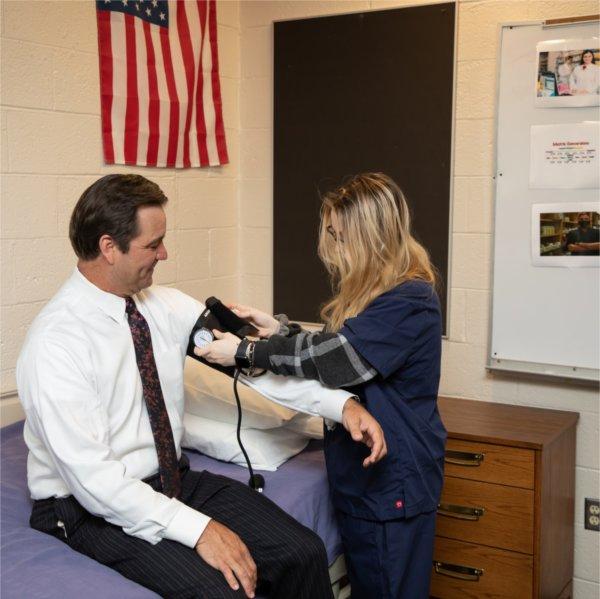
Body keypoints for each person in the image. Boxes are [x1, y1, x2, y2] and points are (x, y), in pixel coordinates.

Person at [16, 174, 387, 599]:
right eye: (153, 245)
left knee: (302, 552)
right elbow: (94, 480)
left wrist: (340, 407)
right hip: (85, 505)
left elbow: (251, 366)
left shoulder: (166, 307)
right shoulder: (55, 344)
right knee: (219, 590)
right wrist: (200, 529)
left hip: (168, 479)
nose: (165, 253)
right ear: (108, 247)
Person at [197, 173, 447, 599]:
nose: (332, 245)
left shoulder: (409, 300)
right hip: (363, 482)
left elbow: (339, 360)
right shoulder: (377, 293)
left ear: (371, 238)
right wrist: (279, 329)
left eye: (339, 235)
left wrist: (247, 353)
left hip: (391, 486)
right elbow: (340, 348)